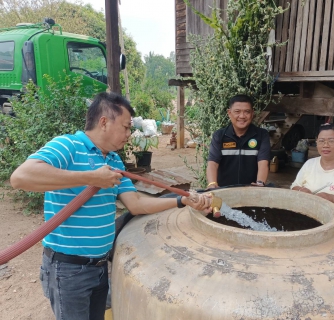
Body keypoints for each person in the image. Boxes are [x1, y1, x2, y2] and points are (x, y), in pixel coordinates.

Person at [9, 92, 212, 320]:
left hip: (99, 267)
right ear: (104, 122)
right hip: (68, 270)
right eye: (125, 127)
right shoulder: (68, 145)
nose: (129, 134)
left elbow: (135, 204)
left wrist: (181, 201)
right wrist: (91, 178)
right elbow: (20, 177)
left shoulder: (114, 160)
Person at [206, 94, 270, 189]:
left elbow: (263, 163)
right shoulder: (220, 135)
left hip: (251, 190)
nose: (242, 116)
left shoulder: (262, 135)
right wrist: (212, 184)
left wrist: (260, 183)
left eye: (247, 112)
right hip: (224, 191)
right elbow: (213, 163)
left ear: (252, 113)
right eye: (237, 111)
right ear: (229, 113)